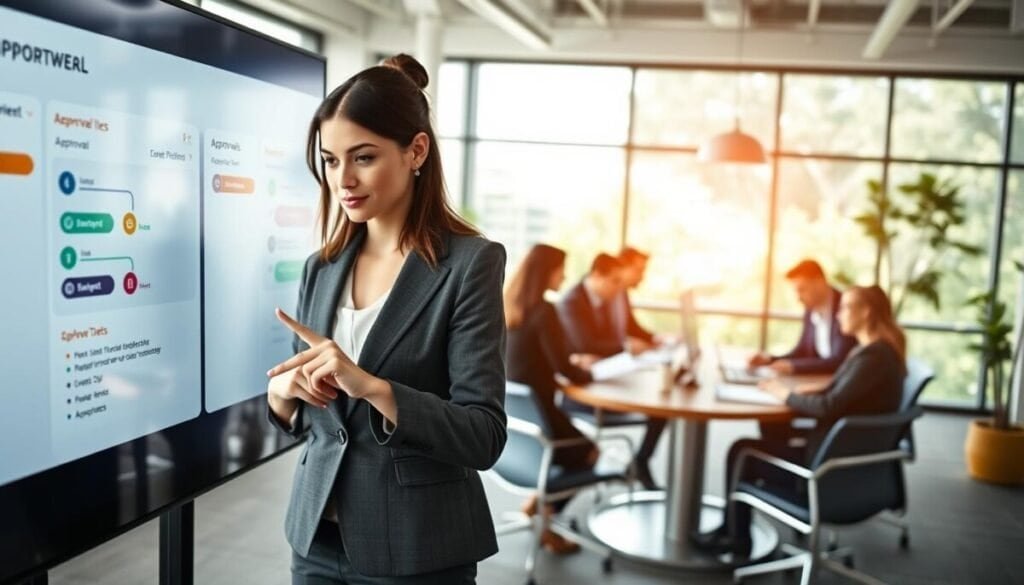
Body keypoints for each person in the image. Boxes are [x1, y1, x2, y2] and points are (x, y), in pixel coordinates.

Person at [264, 54, 507, 584]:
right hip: (316, 538)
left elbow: (483, 435)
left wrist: (375, 388)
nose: (342, 179)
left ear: (416, 150)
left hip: (417, 547)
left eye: (364, 157)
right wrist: (282, 399)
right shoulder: (321, 268)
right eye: (330, 160)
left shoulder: (470, 265)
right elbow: (319, 417)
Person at [695, 285, 906, 555]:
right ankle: (730, 531)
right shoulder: (880, 353)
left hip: (823, 472)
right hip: (847, 462)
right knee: (758, 441)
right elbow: (849, 393)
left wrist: (783, 393)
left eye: (845, 307)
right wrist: (813, 389)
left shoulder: (873, 357)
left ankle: (736, 538)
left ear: (865, 313)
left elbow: (827, 407)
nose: (838, 314)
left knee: (742, 452)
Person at [504, 244, 599, 554]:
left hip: (517, 425)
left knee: (576, 448)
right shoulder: (545, 311)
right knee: (590, 453)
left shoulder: (509, 307)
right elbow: (565, 370)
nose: (566, 276)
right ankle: (548, 516)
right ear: (547, 272)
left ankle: (538, 502)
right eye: (561, 269)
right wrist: (589, 371)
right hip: (543, 420)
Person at [556, 253, 667, 490]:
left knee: (663, 405)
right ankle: (638, 464)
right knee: (660, 405)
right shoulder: (571, 302)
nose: (620, 288)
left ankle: (641, 461)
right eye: (615, 281)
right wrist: (626, 347)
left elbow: (620, 334)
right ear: (597, 275)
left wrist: (651, 340)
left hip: (607, 378)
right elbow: (585, 345)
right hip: (583, 393)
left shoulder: (607, 299)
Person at [748, 259, 857, 375]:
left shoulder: (846, 308)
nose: (798, 298)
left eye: (802, 290)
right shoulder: (810, 310)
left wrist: (795, 367)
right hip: (820, 380)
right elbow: (802, 351)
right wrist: (770, 360)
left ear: (819, 282)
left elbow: (840, 361)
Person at [614, 247, 658, 354]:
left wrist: (656, 338)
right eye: (639, 271)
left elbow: (632, 327)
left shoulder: (622, 293)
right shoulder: (607, 294)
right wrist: (626, 346)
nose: (642, 277)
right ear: (623, 268)